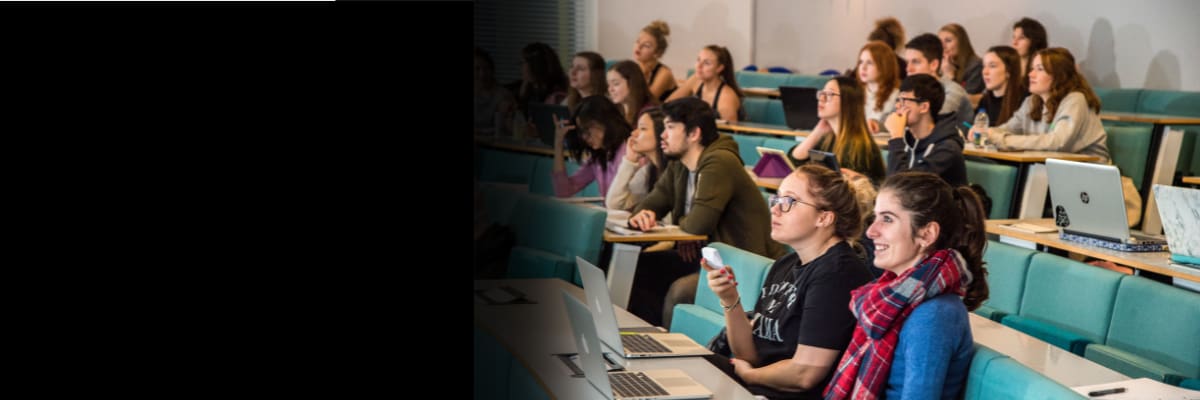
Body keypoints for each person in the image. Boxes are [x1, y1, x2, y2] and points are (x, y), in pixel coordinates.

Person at [702, 164, 874, 400]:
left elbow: (804, 375)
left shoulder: (838, 274)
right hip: (756, 387)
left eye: (789, 201)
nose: (775, 209)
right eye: (777, 199)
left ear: (824, 217)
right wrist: (729, 298)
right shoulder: (784, 264)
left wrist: (751, 376)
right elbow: (749, 355)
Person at [824, 171, 990, 399]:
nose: (871, 231)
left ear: (927, 234)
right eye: (875, 217)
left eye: (888, 219)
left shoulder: (934, 315)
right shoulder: (889, 297)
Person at [626, 97, 784, 326]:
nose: (663, 134)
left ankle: (672, 352)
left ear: (694, 134)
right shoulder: (678, 164)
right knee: (642, 266)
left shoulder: (720, 161)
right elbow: (651, 203)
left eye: (670, 128)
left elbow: (698, 225)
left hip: (742, 264)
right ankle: (644, 340)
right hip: (709, 259)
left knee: (680, 291)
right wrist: (643, 215)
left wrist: (685, 228)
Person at [980, 47, 1142, 226]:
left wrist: (1004, 140)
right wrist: (987, 132)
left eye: (1039, 69)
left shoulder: (1075, 100)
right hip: (1052, 177)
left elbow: (1057, 141)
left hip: (1088, 182)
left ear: (1058, 75)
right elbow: (1003, 130)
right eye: (1032, 68)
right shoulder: (1031, 101)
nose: (1030, 74)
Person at [787, 76, 887, 184]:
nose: (822, 98)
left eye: (830, 94)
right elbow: (794, 163)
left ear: (847, 101)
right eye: (822, 93)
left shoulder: (858, 146)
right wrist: (818, 131)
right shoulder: (827, 138)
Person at [883, 74, 968, 187]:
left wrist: (896, 136)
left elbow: (902, 188)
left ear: (923, 107)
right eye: (898, 100)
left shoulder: (947, 149)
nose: (898, 106)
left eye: (904, 100)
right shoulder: (908, 141)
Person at [550, 95, 631, 200]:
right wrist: (558, 144)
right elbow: (564, 191)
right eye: (581, 131)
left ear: (606, 121)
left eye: (587, 128)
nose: (584, 137)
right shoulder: (598, 157)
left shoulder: (628, 151)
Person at [903, 33, 973, 130]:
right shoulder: (911, 91)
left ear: (934, 65)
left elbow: (930, 122)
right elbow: (894, 117)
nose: (908, 69)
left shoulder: (953, 91)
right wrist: (877, 125)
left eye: (915, 62)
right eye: (907, 63)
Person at [606, 107, 667, 212]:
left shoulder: (677, 170)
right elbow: (614, 204)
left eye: (643, 128)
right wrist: (629, 161)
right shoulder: (648, 171)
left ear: (661, 133)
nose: (634, 133)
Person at [667, 45, 746, 123]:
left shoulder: (727, 97)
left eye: (707, 63)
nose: (699, 66)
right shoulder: (695, 80)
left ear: (719, 68)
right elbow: (669, 104)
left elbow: (732, 132)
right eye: (698, 60)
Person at [855, 41, 901, 134]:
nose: (863, 67)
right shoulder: (855, 93)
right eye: (861, 62)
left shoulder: (897, 97)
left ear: (884, 66)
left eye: (870, 63)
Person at [976, 45, 1027, 126]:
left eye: (992, 66)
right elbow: (978, 134)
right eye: (984, 66)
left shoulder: (1025, 100)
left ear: (1008, 71)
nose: (985, 72)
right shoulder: (985, 101)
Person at [515, 42, 569, 116]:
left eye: (523, 63)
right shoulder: (526, 89)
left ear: (535, 66)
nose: (521, 67)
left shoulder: (557, 97)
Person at [474, 47, 516, 134]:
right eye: (477, 69)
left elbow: (504, 129)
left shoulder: (503, 95)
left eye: (486, 69)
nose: (482, 74)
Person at [938, 24, 984, 102]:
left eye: (948, 41)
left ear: (961, 43)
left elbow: (964, 101)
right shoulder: (939, 64)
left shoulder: (976, 65)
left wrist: (949, 76)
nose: (943, 46)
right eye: (940, 42)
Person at [635, 20, 678, 103]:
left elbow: (645, 102)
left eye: (646, 45)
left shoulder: (664, 74)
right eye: (637, 41)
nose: (639, 47)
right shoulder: (635, 67)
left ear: (657, 53)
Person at [608, 60, 658, 127]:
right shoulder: (615, 112)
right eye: (608, 85)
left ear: (632, 83)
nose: (610, 89)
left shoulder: (649, 112)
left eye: (616, 84)